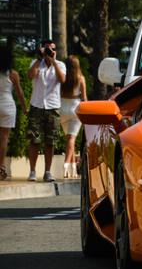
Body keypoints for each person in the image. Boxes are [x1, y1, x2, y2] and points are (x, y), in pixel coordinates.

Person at [26, 40, 66, 182]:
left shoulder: (60, 65)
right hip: (37, 106)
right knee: (34, 140)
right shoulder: (36, 63)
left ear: (56, 50)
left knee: (51, 141)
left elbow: (62, 80)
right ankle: (32, 171)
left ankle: (48, 171)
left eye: (53, 49)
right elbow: (31, 75)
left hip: (52, 107)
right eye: (47, 49)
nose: (50, 51)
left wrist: (53, 62)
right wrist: (39, 59)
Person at [0, 48, 28, 180]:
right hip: (8, 106)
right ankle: (1, 166)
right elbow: (20, 93)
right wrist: (24, 108)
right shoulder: (13, 74)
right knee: (4, 138)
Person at [59, 55, 87, 178]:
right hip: (75, 110)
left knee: (69, 139)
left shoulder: (62, 79)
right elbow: (84, 98)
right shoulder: (81, 78)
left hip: (62, 109)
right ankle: (66, 164)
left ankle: (72, 170)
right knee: (72, 139)